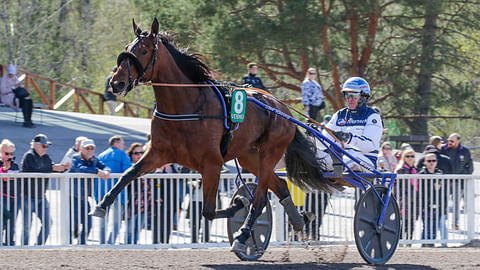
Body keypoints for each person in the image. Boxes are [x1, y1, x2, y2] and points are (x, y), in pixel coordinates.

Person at [315, 77, 383, 172]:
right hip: (340, 158)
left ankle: (335, 166)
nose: (350, 99)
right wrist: (315, 136)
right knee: (312, 153)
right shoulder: (339, 115)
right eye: (347, 95)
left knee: (351, 158)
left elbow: (369, 146)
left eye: (354, 96)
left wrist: (349, 138)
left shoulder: (372, 116)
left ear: (364, 97)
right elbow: (323, 144)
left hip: (365, 160)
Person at [21, 134, 70, 245]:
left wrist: (62, 168)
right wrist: (53, 168)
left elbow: (51, 168)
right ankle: (24, 246)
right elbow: (35, 170)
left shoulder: (46, 158)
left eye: (46, 146)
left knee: (48, 222)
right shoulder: (29, 156)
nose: (45, 148)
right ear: (35, 145)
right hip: (27, 195)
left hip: (41, 196)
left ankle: (39, 245)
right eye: (44, 146)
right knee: (27, 225)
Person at [69, 138, 110, 244]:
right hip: (73, 195)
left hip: (84, 196)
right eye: (87, 148)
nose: (90, 150)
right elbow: (79, 168)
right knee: (73, 222)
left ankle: (82, 243)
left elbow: (104, 166)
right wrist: (96, 171)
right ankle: (68, 243)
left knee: (88, 223)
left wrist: (106, 171)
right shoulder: (75, 158)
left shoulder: (94, 159)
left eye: (92, 148)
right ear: (81, 149)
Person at [96, 135, 132, 244]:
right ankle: (111, 242)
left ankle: (102, 243)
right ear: (116, 143)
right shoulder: (122, 155)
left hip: (101, 191)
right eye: (122, 143)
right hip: (117, 192)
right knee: (116, 221)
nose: (124, 145)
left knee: (103, 220)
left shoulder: (101, 155)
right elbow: (128, 170)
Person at [439, 133, 473, 230]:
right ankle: (443, 223)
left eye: (452, 141)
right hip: (445, 181)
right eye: (448, 140)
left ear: (458, 141)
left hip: (458, 182)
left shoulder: (465, 151)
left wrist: (463, 175)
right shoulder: (443, 149)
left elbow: (469, 166)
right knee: (443, 202)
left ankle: (455, 223)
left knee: (456, 204)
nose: (449, 142)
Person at [418, 153, 444, 247]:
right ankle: (424, 245)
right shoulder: (422, 174)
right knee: (427, 226)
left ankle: (431, 245)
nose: (431, 163)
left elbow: (443, 190)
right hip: (426, 204)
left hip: (437, 204)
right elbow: (421, 190)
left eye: (434, 160)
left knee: (434, 227)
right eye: (429, 161)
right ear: (425, 162)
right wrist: (432, 187)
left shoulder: (440, 173)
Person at [124, 142, 147, 244]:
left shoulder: (147, 166)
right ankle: (128, 247)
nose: (139, 155)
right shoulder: (128, 166)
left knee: (138, 229)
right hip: (131, 202)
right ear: (131, 154)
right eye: (136, 153)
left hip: (143, 202)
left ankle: (134, 247)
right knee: (130, 229)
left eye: (142, 152)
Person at [394, 148, 419, 243]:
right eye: (408, 156)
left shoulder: (416, 170)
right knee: (402, 223)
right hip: (404, 201)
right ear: (404, 158)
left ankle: (409, 243)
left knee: (412, 223)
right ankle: (399, 243)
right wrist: (400, 199)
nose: (410, 158)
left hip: (414, 201)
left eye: (412, 156)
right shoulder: (400, 170)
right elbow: (396, 188)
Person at [1, 139, 20, 245]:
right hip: (2, 196)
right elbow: (4, 179)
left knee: (12, 222)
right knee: (3, 220)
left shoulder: (15, 165)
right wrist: (4, 169)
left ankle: (9, 241)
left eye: (11, 154)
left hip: (14, 197)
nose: (9, 156)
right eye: (6, 153)